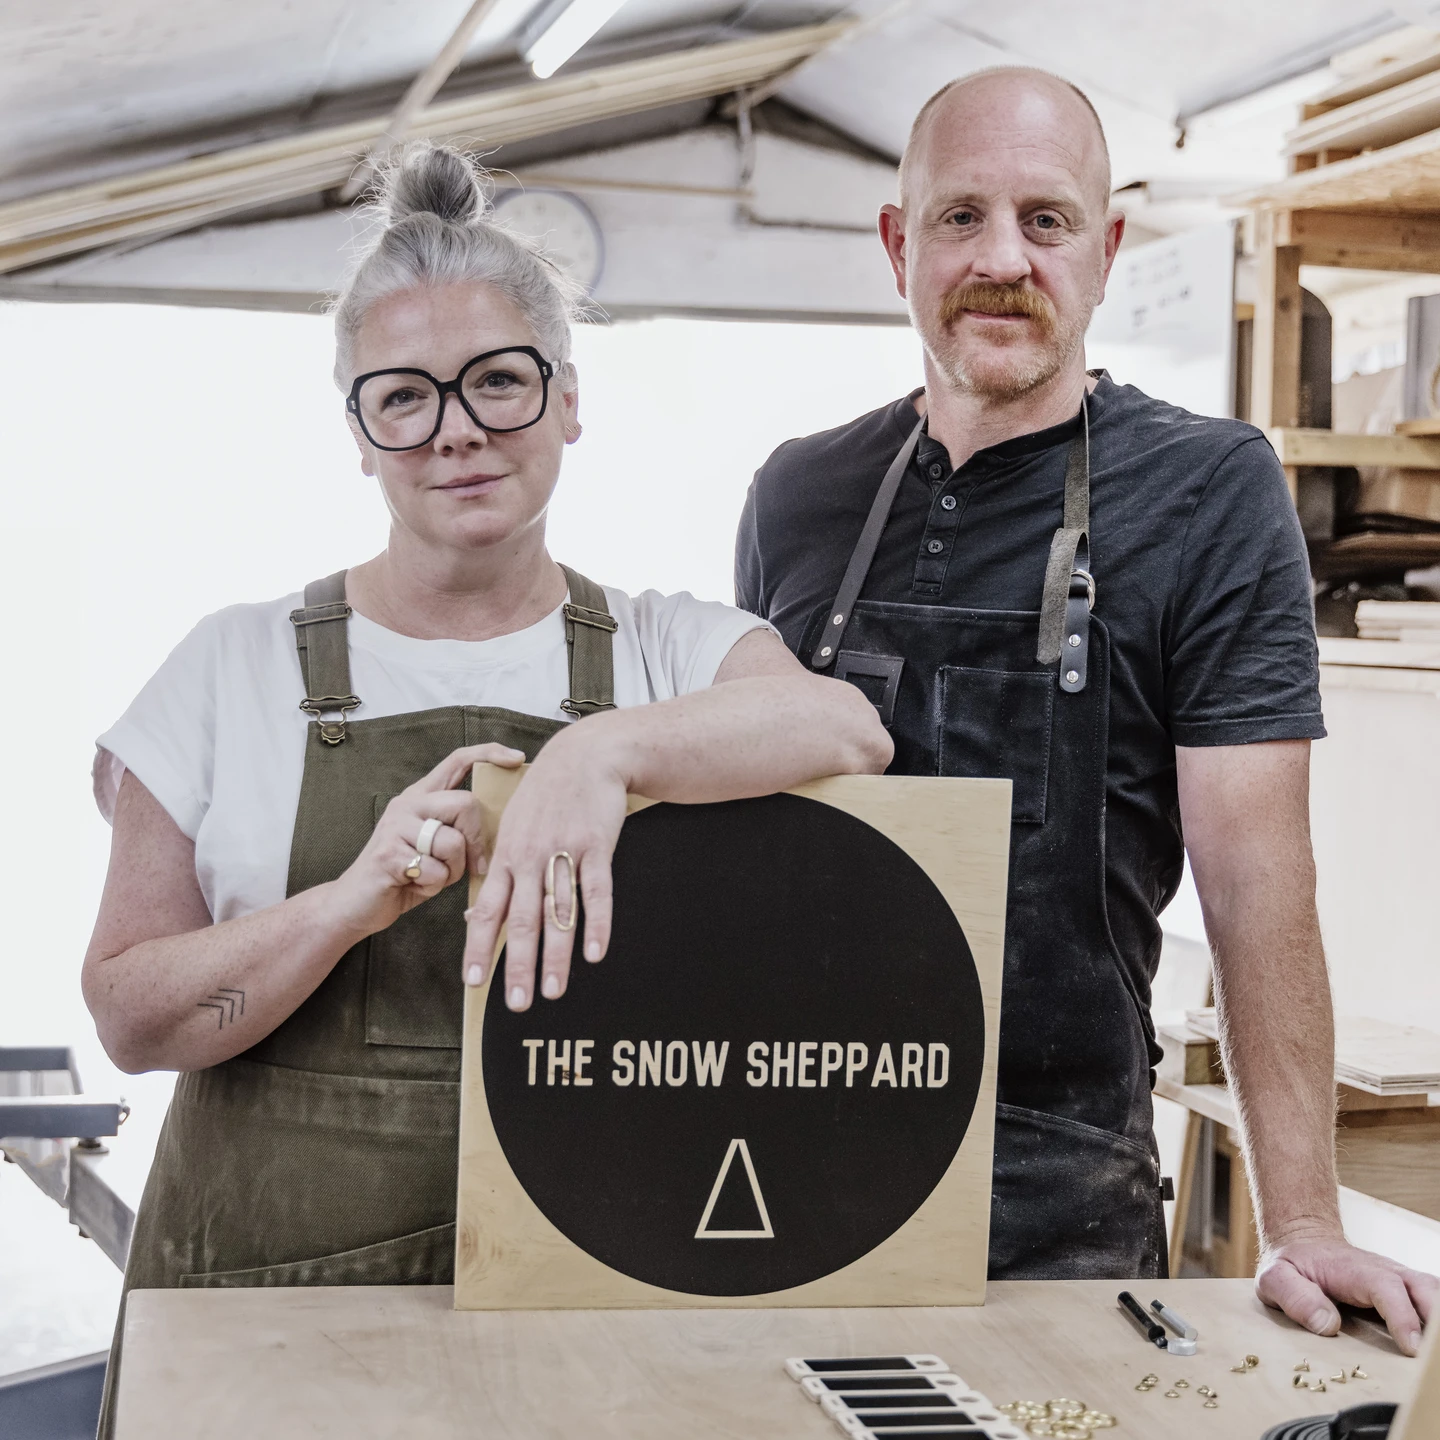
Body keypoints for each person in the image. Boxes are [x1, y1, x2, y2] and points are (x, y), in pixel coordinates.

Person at [84, 141, 891, 1422]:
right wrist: (353, 901)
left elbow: (845, 729)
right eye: (402, 397)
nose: (455, 429)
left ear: (569, 399)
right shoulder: (227, 669)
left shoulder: (664, 646)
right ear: (359, 433)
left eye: (498, 382)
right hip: (261, 1308)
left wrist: (599, 750)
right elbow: (130, 1015)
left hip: (581, 1291)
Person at [735, 68, 1438, 1349]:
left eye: (1046, 221)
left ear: (1107, 252)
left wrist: (1303, 1225)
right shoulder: (798, 497)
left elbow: (1255, 877)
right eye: (961, 218)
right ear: (899, 246)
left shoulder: (1212, 492)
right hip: (786, 1159)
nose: (1003, 258)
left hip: (1058, 1198)